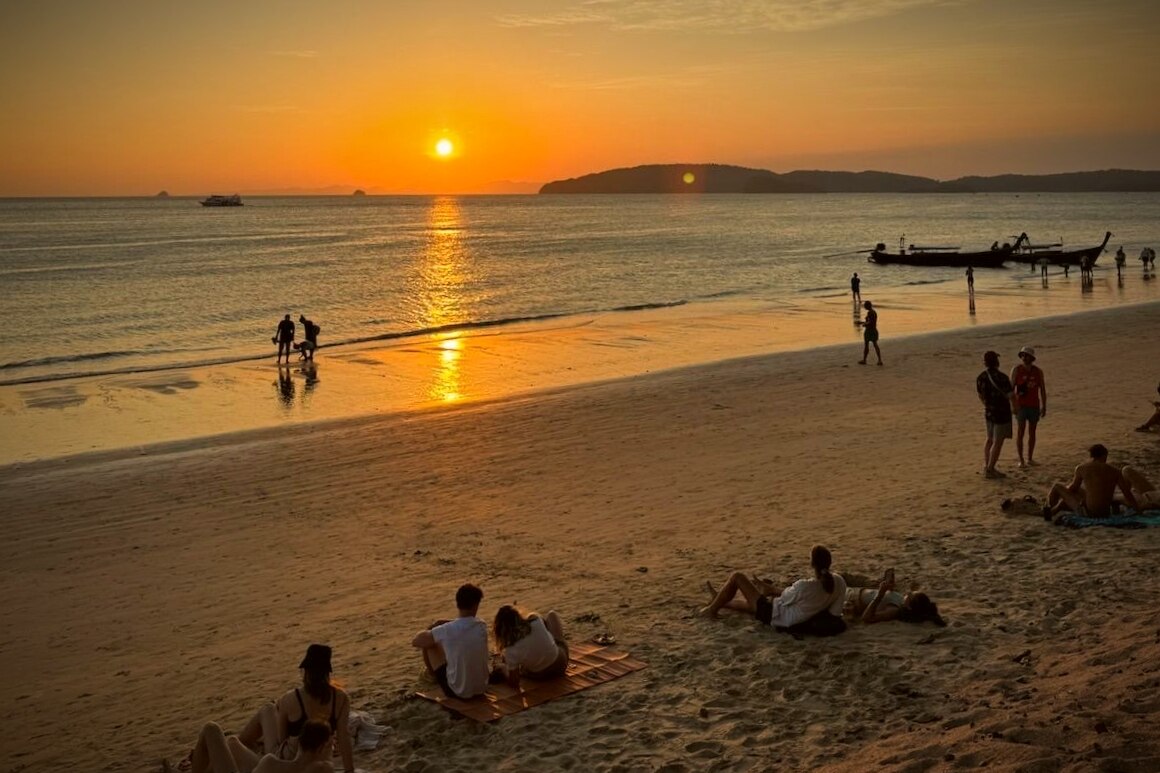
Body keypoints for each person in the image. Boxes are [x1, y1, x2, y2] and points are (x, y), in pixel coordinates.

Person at [178, 644, 353, 773]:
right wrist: (349, 770)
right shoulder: (340, 700)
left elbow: (282, 740)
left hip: (285, 755)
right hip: (303, 751)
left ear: (306, 672)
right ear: (327, 672)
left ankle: (212, 758)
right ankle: (230, 750)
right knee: (266, 710)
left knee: (228, 738)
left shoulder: (291, 699)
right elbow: (344, 737)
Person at [701, 545, 847, 628]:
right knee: (753, 605)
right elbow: (835, 613)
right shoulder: (839, 581)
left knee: (737, 577)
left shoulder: (805, 586)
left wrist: (770, 590)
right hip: (791, 615)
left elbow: (785, 598)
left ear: (812, 564)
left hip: (776, 616)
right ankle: (720, 599)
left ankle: (711, 610)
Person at [412, 583, 489, 700]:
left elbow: (416, 641)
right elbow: (464, 624)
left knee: (430, 644)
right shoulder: (481, 626)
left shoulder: (447, 630)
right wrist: (442, 624)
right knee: (450, 643)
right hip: (481, 688)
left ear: (457, 604)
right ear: (476, 605)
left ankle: (433, 676)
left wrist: (432, 628)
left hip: (458, 692)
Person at [173, 718, 334, 773]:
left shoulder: (271, 763)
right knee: (232, 742)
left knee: (211, 728)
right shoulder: (323, 769)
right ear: (321, 748)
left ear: (300, 742)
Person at [1042, 444, 1140, 521]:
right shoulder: (1115, 471)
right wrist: (1137, 509)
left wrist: (1065, 494)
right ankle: (1053, 510)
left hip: (1089, 513)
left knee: (1057, 487)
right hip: (1105, 513)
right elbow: (1127, 493)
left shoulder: (1082, 468)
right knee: (1079, 492)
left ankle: (1049, 508)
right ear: (1104, 455)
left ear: (1092, 456)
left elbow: (1073, 488)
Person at [492, 605, 570, 683]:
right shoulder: (536, 620)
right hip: (560, 664)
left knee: (521, 665)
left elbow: (514, 681)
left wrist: (503, 669)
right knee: (552, 615)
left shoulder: (509, 650)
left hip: (540, 675)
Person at [843, 570, 946, 626]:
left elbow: (867, 618)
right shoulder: (901, 600)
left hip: (851, 597)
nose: (908, 593)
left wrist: (880, 594)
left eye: (910, 596)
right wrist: (890, 588)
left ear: (909, 606)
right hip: (857, 590)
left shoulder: (894, 610)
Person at [976, 350, 1015, 479]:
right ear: (997, 361)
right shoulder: (1002, 377)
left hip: (989, 412)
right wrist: (1015, 409)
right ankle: (991, 469)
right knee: (998, 441)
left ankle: (987, 465)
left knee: (989, 439)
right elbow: (1011, 395)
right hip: (1002, 413)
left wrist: (988, 405)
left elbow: (980, 396)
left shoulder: (981, 377)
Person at [1010, 346, 1047, 468]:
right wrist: (1013, 405)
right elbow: (1011, 389)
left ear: (1031, 358)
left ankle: (1030, 458)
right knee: (1021, 432)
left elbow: (1042, 389)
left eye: (1027, 356)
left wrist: (1044, 405)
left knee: (1032, 432)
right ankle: (1021, 460)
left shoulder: (1038, 371)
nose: (1024, 358)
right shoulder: (1016, 370)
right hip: (1021, 405)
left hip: (1034, 405)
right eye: (1023, 355)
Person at [858, 300, 882, 366]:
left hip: (869, 331)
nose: (864, 306)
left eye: (865, 305)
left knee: (867, 345)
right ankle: (879, 360)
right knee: (875, 345)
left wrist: (864, 324)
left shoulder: (870, 313)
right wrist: (862, 323)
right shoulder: (874, 312)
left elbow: (870, 322)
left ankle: (864, 360)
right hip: (874, 330)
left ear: (867, 306)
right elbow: (871, 321)